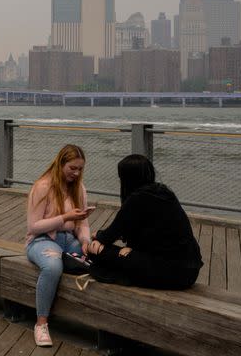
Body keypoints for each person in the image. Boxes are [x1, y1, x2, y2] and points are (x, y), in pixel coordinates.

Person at [86, 154, 202, 289]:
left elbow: (111, 234)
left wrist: (98, 237)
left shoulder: (137, 199)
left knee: (95, 251)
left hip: (171, 273)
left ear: (127, 179)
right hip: (190, 270)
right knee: (116, 252)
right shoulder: (163, 192)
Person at [26, 144, 93, 347]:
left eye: (80, 168)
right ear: (61, 163)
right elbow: (34, 226)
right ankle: (41, 323)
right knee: (53, 266)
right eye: (72, 168)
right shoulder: (43, 186)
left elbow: (82, 224)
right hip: (41, 240)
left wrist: (85, 241)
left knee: (95, 261)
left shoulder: (79, 188)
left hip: (68, 239)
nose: (76, 173)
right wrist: (65, 217)